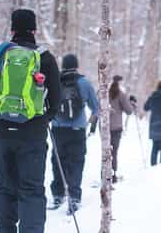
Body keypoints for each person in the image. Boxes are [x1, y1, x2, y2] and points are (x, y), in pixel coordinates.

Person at [0, 9, 61, 233]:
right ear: (34, 30)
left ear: (12, 29)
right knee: (31, 190)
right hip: (32, 135)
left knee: (4, 188)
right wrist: (40, 119)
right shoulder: (45, 58)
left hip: (0, 132)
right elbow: (56, 101)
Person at [49, 53, 99, 214]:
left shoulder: (55, 81)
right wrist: (90, 124)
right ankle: (74, 197)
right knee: (76, 163)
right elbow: (96, 108)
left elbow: (46, 103)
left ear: (63, 65)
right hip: (77, 131)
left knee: (58, 162)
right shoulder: (84, 83)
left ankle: (58, 195)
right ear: (76, 65)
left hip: (57, 129)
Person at [108, 75, 137, 182]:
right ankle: (113, 174)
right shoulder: (120, 94)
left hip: (105, 127)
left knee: (106, 150)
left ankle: (104, 173)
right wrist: (132, 103)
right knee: (114, 151)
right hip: (116, 127)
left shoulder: (103, 93)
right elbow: (129, 110)